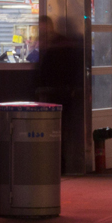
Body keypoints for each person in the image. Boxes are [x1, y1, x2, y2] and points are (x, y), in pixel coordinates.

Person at [32, 15, 84, 173]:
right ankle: (55, 163)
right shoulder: (51, 43)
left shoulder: (54, 44)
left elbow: (50, 69)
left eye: (44, 26)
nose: (42, 30)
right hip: (56, 92)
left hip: (58, 92)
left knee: (56, 130)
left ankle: (58, 164)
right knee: (56, 130)